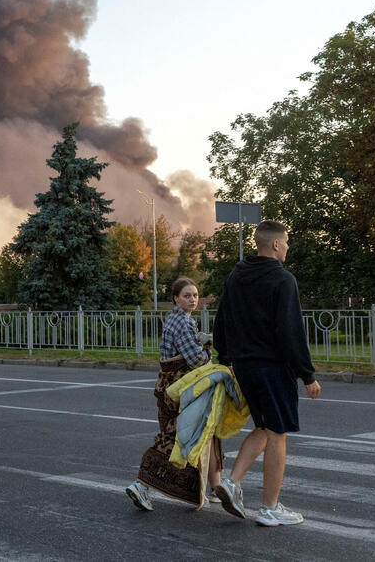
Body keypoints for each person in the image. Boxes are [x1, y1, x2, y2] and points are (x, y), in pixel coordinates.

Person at [212, 220, 321, 526]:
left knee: (264, 426)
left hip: (244, 366)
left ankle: (231, 483)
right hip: (272, 367)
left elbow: (222, 320)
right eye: (285, 242)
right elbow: (290, 332)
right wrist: (307, 374)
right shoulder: (282, 279)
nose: (287, 247)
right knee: (277, 433)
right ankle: (270, 508)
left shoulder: (236, 275)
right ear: (275, 244)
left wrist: (226, 356)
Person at [126, 277, 223, 511]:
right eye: (187, 295)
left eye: (195, 295)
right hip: (180, 388)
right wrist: (210, 353)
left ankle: (217, 487)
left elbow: (190, 344)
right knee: (176, 437)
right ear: (176, 298)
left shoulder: (179, 319)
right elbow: (196, 359)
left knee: (205, 431)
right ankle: (142, 485)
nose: (192, 299)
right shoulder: (182, 322)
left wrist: (204, 340)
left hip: (174, 386)